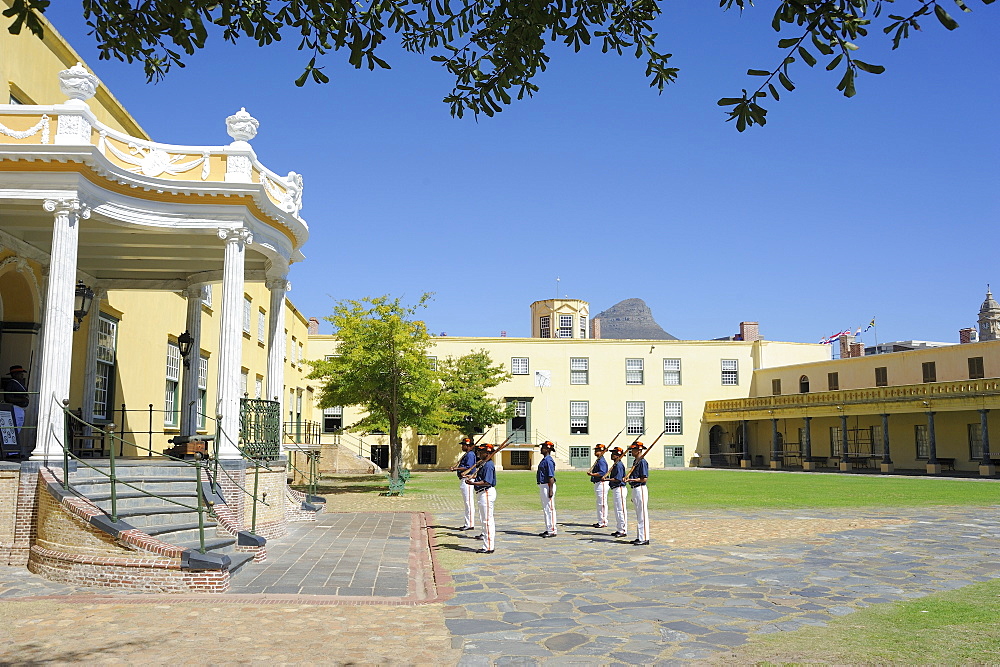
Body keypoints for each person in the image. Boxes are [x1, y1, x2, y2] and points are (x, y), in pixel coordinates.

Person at [465, 443, 496, 553]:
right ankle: (487, 542)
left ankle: (488, 547)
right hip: (482, 492)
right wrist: (472, 478)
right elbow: (480, 476)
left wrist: (472, 483)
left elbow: (486, 481)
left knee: (487, 520)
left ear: (487, 453)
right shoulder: (484, 463)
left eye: (481, 452)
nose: (479, 453)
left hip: (486, 492)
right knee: (485, 519)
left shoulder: (488, 465)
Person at [626, 441, 650, 545]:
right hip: (635, 489)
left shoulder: (642, 462)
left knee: (642, 515)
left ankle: (644, 538)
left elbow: (644, 479)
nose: (631, 451)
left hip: (640, 488)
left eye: (633, 449)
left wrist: (631, 480)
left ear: (639, 450)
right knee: (638, 514)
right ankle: (640, 536)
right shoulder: (636, 461)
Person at [450, 437, 478, 530]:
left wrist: (456, 468)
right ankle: (468, 522)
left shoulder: (470, 454)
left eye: (463, 445)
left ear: (468, 446)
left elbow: (468, 467)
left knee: (469, 502)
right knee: (467, 502)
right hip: (463, 479)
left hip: (467, 479)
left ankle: (470, 524)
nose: (462, 446)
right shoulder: (467, 454)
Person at [537, 440, 557, 537]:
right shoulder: (545, 459)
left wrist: (551, 489)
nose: (541, 449)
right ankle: (548, 528)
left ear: (548, 449)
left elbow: (551, 477)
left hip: (548, 485)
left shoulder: (548, 460)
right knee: (546, 509)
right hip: (543, 485)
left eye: (543, 447)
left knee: (550, 509)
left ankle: (552, 530)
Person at [587, 443, 609, 528]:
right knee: (599, 503)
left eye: (598, 450)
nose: (596, 452)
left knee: (602, 503)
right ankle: (600, 520)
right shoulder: (599, 460)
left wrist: (592, 474)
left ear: (602, 451)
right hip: (598, 483)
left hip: (602, 483)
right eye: (596, 450)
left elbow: (602, 473)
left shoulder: (601, 461)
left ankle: (603, 521)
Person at [608, 446, 629, 538]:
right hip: (615, 488)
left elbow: (618, 479)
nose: (612, 455)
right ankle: (619, 528)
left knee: (621, 509)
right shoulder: (616, 464)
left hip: (619, 488)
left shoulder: (619, 465)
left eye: (614, 453)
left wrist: (606, 479)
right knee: (617, 510)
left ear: (618, 455)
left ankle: (623, 530)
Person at [3, 365, 29, 433]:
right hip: (15, 408)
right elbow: (8, 398)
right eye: (20, 373)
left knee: (18, 426)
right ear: (14, 374)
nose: (22, 375)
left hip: (20, 409)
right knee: (15, 427)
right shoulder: (11, 383)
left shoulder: (19, 383)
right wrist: (22, 400)